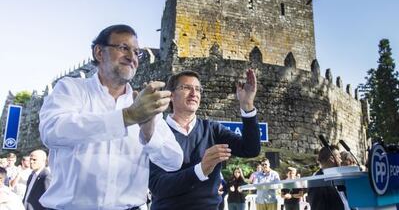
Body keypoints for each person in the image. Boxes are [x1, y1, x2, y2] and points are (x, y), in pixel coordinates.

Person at [38, 24, 183, 209]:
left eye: (136, 52)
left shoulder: (143, 103)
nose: (132, 57)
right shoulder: (71, 89)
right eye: (123, 48)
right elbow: (52, 131)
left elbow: (174, 161)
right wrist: (127, 116)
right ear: (99, 52)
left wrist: (149, 134)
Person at [149, 69, 261, 210]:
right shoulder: (155, 131)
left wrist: (247, 106)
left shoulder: (213, 129)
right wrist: (200, 170)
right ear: (171, 95)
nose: (194, 93)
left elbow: (250, 149)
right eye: (186, 87)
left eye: (198, 89)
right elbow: (158, 186)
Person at [307, 145, 348, 210]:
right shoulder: (317, 183)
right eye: (339, 158)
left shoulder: (339, 178)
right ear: (332, 159)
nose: (341, 161)